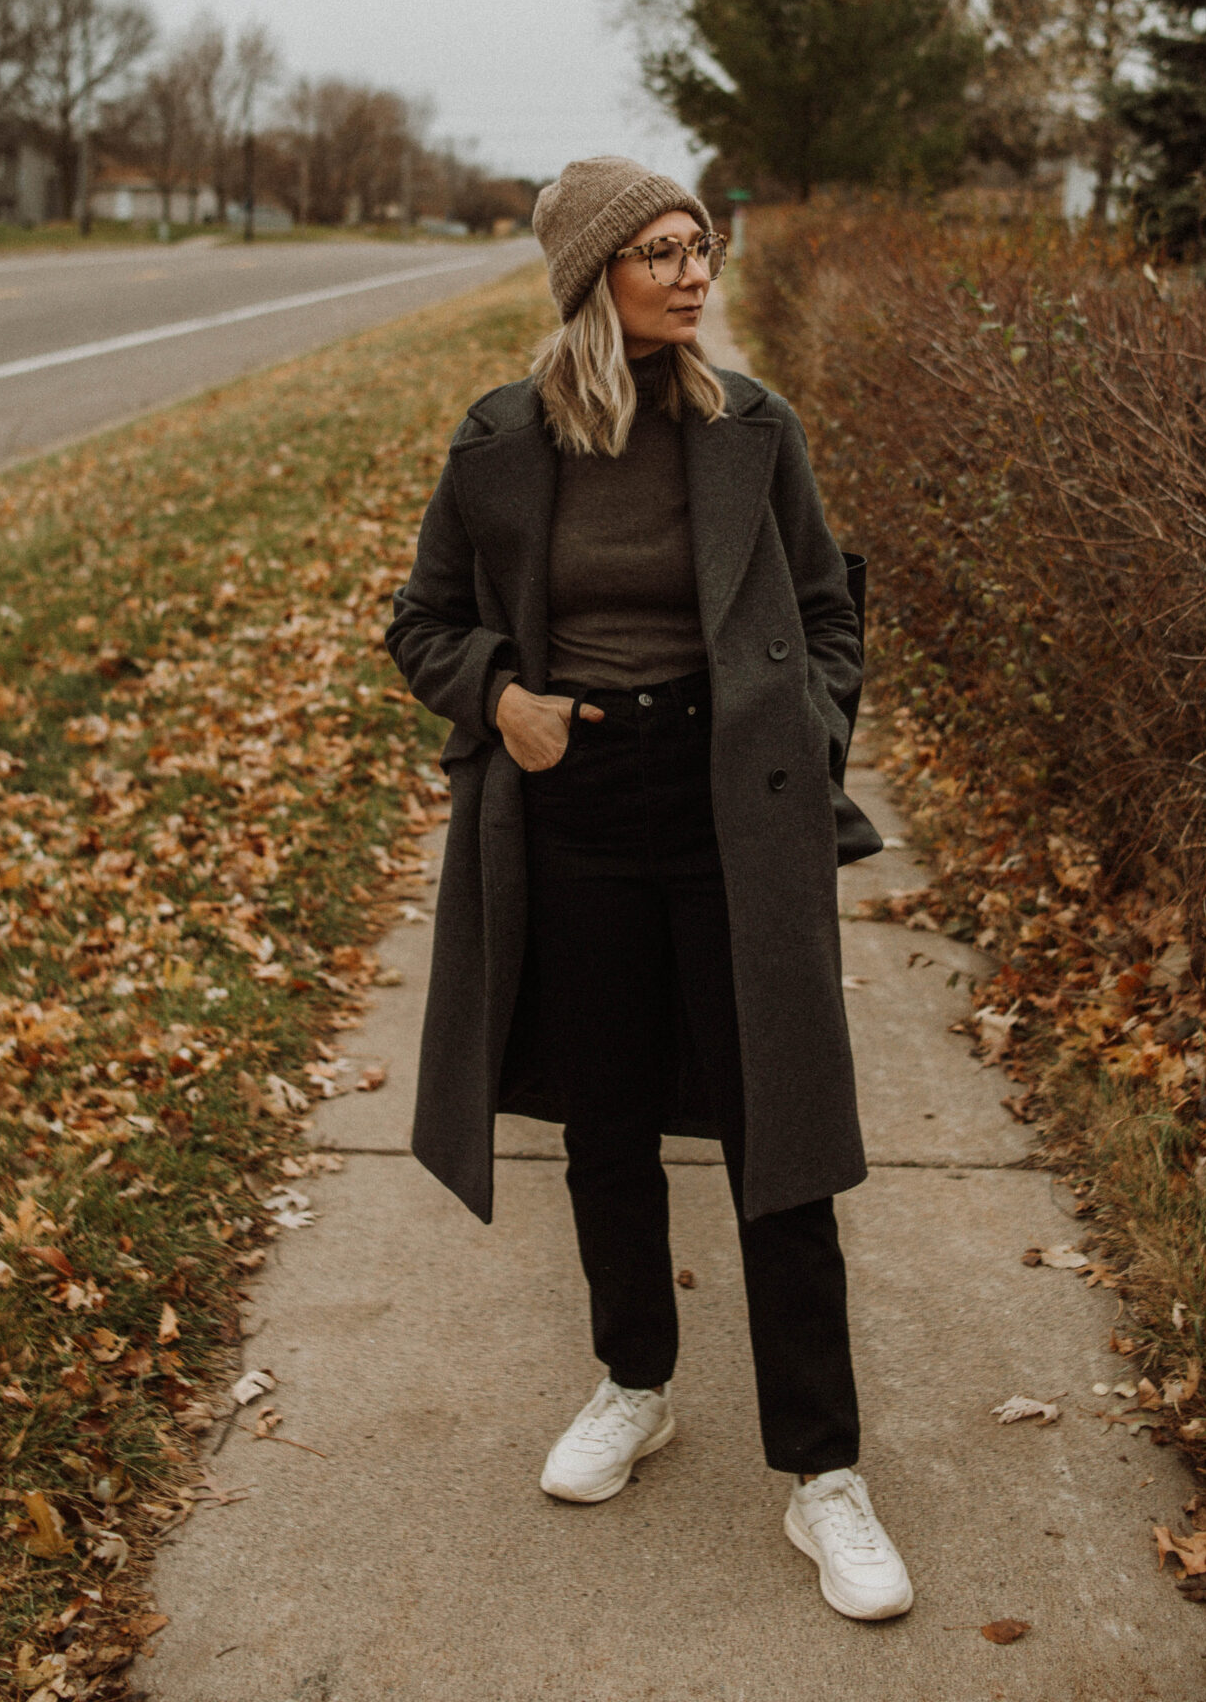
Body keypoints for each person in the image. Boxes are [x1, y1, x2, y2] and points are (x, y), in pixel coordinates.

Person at [384, 156, 912, 1621]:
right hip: (574, 810)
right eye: (663, 253)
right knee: (605, 1126)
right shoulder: (501, 439)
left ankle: (825, 1475)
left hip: (733, 809)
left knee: (779, 1135)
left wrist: (806, 739)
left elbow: (825, 611)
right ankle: (636, 1381)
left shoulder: (753, 428)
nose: (696, 273)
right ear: (590, 279)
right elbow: (420, 620)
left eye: (702, 247)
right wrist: (503, 699)